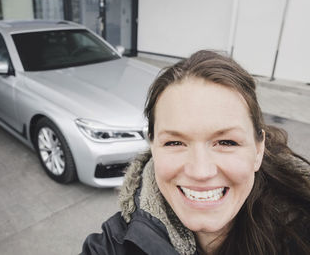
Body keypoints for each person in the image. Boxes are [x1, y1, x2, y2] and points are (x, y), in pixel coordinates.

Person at [81, 50, 310, 255]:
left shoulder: (302, 227)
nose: (200, 171)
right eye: (174, 143)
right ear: (153, 147)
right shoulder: (112, 246)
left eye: (226, 142)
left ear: (258, 151)